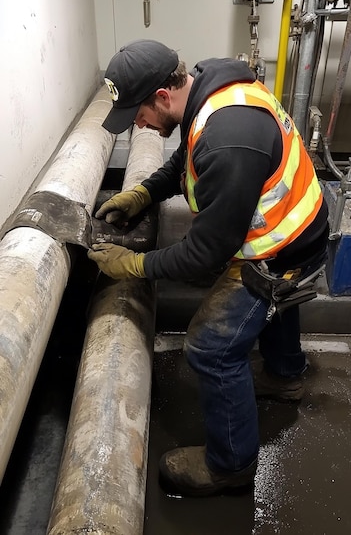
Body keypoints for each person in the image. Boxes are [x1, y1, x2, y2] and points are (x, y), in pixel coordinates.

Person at [88, 39, 329, 497]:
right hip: (299, 228)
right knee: (275, 302)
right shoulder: (210, 91)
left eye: (137, 113)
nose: (136, 124)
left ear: (162, 95)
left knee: (212, 346)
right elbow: (185, 158)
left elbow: (204, 253)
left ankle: (230, 467)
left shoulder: (227, 137)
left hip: (282, 250)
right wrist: (146, 192)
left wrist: (134, 264)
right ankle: (284, 377)